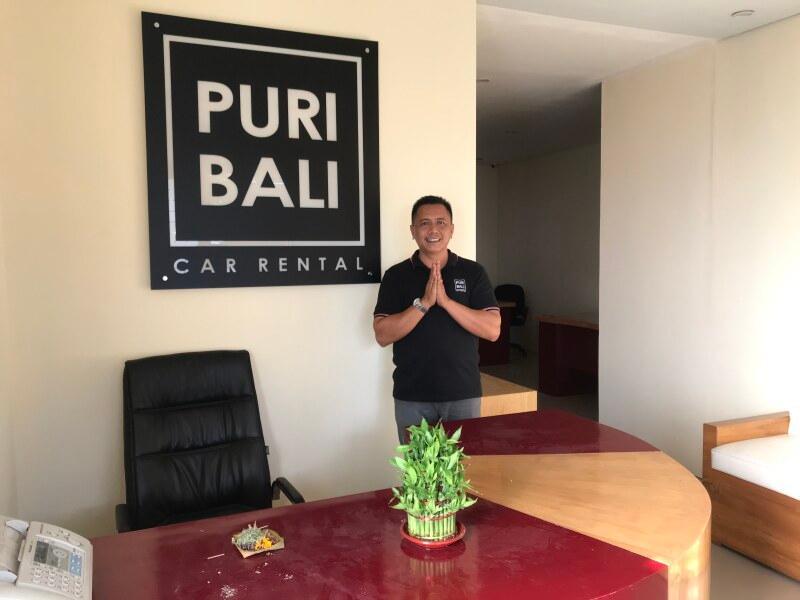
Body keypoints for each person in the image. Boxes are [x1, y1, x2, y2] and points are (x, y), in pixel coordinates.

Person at [373, 195, 501, 442]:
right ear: (413, 231)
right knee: (418, 467)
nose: (433, 230)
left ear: (451, 229)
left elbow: (492, 330)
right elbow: (382, 335)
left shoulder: (473, 272)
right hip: (412, 396)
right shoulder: (396, 276)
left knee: (464, 465)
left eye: (441, 222)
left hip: (463, 394)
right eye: (424, 223)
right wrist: (424, 304)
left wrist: (446, 302)